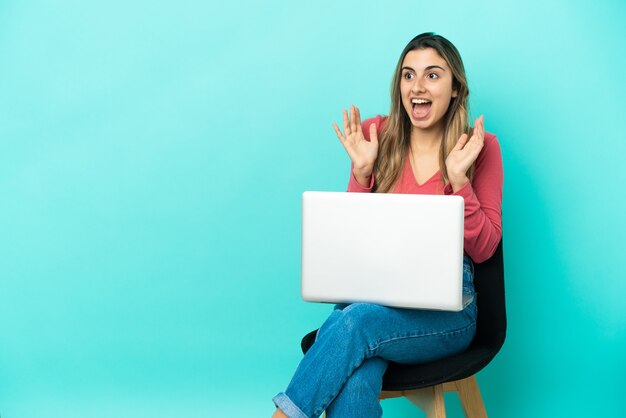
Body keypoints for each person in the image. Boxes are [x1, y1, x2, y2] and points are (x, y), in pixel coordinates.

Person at [272, 32, 503, 418]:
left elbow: (484, 249)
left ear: (455, 87)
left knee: (355, 323)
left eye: (432, 75)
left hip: (447, 312)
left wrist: (460, 182)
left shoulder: (479, 147)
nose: (417, 87)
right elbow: (352, 245)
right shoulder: (376, 136)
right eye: (408, 75)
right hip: (370, 297)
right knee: (357, 373)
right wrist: (362, 174)